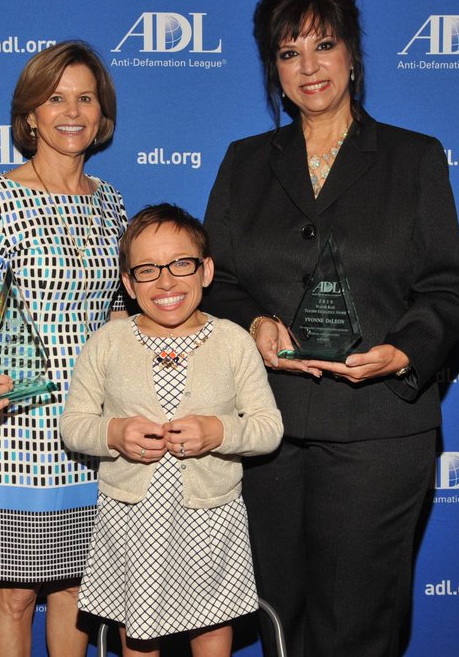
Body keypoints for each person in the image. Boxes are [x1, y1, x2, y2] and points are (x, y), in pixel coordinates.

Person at [202, 0, 459, 657]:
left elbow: (445, 289)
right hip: (268, 431)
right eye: (290, 52)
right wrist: (252, 322)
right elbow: (221, 282)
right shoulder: (244, 164)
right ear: (275, 70)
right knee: (280, 621)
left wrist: (404, 352)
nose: (309, 66)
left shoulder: (413, 159)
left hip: (379, 430)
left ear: (353, 54)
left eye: (324, 44)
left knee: (356, 625)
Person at [0, 41, 127, 657]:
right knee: (15, 595)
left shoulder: (112, 204)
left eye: (85, 97)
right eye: (55, 98)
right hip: (14, 426)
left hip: (95, 426)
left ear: (102, 115)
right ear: (29, 116)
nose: (71, 111)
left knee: (80, 588)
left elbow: (122, 321)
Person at [62, 204, 283, 657]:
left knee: (210, 626)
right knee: (139, 633)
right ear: (128, 283)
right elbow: (75, 425)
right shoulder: (108, 341)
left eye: (181, 264)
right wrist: (115, 432)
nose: (166, 282)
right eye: (147, 270)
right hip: (131, 516)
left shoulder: (233, 341)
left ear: (206, 271)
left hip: (210, 512)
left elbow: (268, 427)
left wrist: (219, 431)